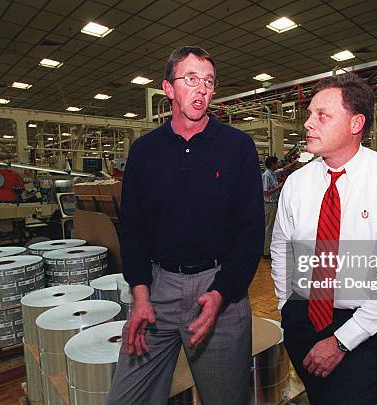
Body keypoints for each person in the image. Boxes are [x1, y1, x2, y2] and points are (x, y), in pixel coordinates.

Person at [107, 46, 264, 405]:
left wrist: (222, 292)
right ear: (168, 88)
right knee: (126, 398)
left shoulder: (237, 147)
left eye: (208, 82)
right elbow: (132, 229)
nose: (202, 89)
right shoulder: (145, 151)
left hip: (219, 291)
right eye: (191, 79)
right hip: (158, 290)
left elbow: (250, 231)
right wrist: (141, 295)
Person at [270, 73, 377, 404]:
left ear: (356, 123)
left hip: (367, 327)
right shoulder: (297, 185)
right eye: (309, 114)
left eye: (322, 115)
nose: (308, 124)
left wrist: (342, 341)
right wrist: (287, 307)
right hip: (306, 318)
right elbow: (282, 249)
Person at [262, 155, 295, 259]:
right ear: (272, 164)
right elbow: (265, 192)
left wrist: (294, 162)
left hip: (273, 204)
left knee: (271, 228)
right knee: (269, 228)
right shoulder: (267, 175)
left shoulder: (272, 173)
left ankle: (268, 250)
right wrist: (278, 187)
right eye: (276, 163)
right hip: (269, 204)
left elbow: (284, 169)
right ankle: (266, 252)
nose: (277, 165)